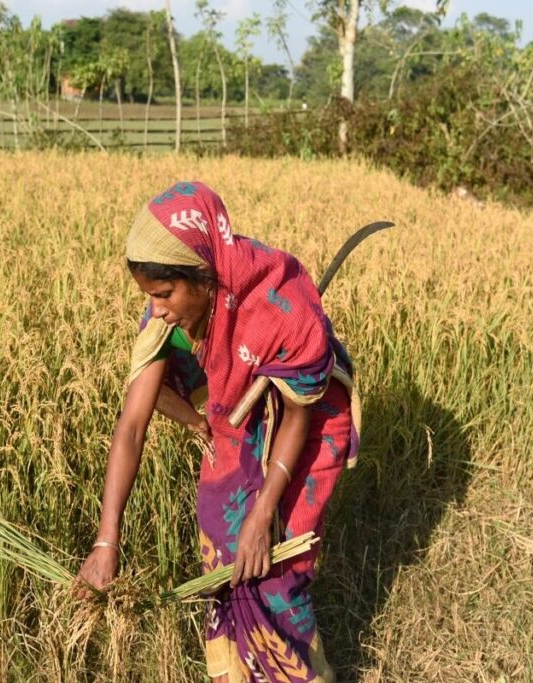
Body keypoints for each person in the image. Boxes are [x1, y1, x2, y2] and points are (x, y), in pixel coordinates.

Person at [76, 181, 361, 682]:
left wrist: (263, 512)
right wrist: (106, 541)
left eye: (163, 295)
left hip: (305, 425)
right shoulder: (168, 313)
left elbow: (298, 415)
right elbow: (132, 424)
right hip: (234, 419)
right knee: (222, 556)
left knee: (272, 569)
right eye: (149, 296)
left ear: (205, 277)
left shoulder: (282, 304)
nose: (156, 309)